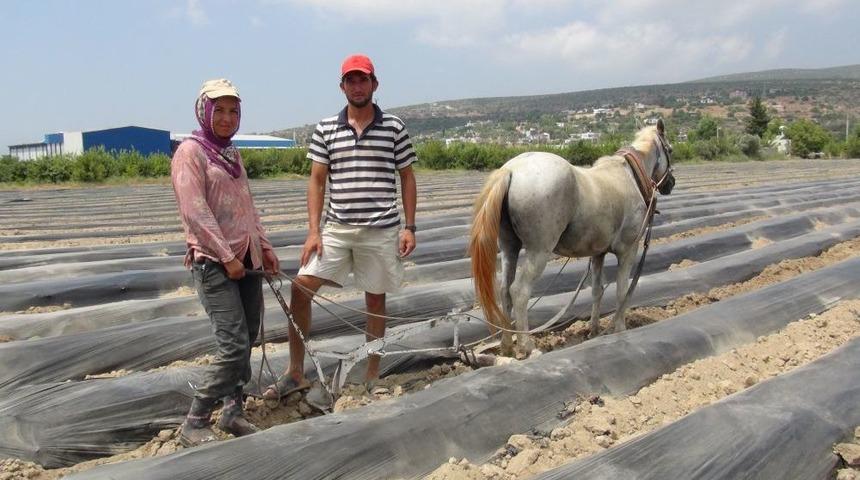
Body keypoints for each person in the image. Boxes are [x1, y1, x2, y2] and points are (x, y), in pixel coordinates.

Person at [263, 54, 417, 399]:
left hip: (380, 230)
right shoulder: (326, 129)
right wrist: (313, 230)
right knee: (300, 287)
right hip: (337, 229)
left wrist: (410, 227)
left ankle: (372, 375)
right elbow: (317, 181)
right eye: (351, 80)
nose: (357, 86)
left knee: (375, 301)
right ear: (342, 86)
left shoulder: (394, 127)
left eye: (363, 80)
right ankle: (294, 372)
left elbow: (407, 177)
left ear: (374, 84)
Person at [171, 78, 280, 446]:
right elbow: (195, 212)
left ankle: (233, 411)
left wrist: (263, 247)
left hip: (245, 261)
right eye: (220, 111)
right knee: (232, 344)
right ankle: (196, 419)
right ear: (205, 111)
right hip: (215, 264)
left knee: (247, 338)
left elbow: (247, 208)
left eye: (234, 111)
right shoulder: (191, 152)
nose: (228, 118)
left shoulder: (232, 154)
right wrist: (228, 255)